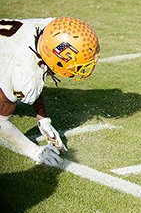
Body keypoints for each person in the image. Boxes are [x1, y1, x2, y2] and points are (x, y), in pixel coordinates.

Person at [0, 17, 100, 166]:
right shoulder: (23, 74)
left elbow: (40, 67)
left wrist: (43, 119)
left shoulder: (50, 27)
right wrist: (34, 151)